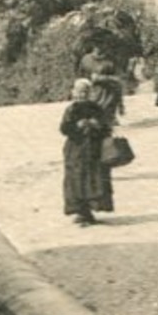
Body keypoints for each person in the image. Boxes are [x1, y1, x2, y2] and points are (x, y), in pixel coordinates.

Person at [61, 79, 114, 226]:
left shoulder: (96, 109)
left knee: (94, 179)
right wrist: (77, 126)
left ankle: (90, 210)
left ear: (90, 94)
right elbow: (64, 129)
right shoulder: (71, 109)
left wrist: (97, 126)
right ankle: (80, 211)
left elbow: (107, 128)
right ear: (73, 93)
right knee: (76, 180)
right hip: (75, 150)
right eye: (78, 92)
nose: (81, 95)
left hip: (93, 150)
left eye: (84, 92)